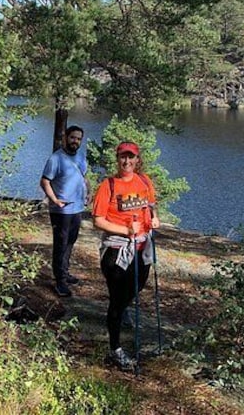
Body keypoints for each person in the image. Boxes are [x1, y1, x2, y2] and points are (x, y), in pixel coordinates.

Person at [92, 141, 160, 371]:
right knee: (117, 300)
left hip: (141, 247)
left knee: (137, 287)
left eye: (131, 158)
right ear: (117, 159)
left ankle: (123, 311)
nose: (127, 162)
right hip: (116, 250)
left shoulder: (144, 181)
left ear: (137, 160)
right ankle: (115, 349)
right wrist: (125, 230)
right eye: (123, 157)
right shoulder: (108, 185)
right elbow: (98, 220)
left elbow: (150, 206)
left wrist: (154, 218)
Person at [40, 125, 90, 298]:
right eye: (72, 137)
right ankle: (59, 281)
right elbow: (45, 181)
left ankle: (65, 272)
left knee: (71, 241)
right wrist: (54, 200)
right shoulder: (56, 159)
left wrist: (88, 192)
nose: (75, 141)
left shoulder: (82, 157)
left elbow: (83, 177)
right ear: (65, 138)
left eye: (78, 138)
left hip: (77, 208)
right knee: (60, 243)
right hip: (61, 210)